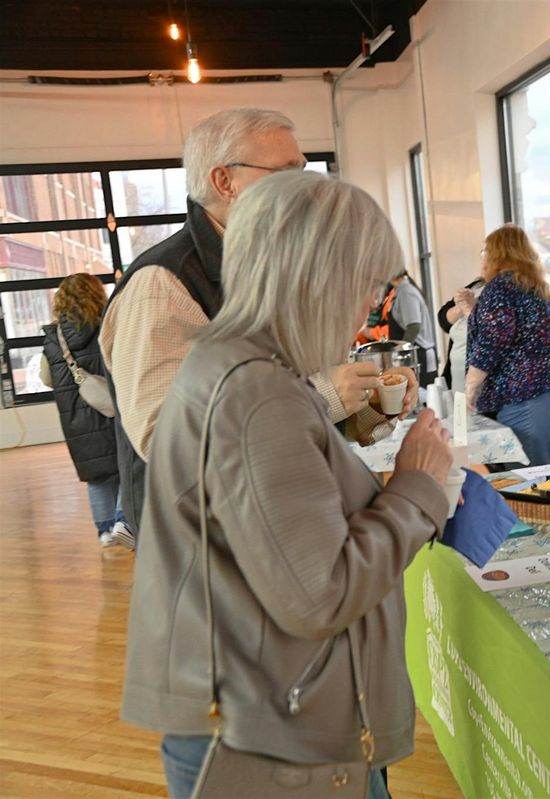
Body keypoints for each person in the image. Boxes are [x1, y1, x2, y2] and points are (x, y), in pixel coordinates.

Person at [121, 171, 453, 799]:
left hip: (266, 709)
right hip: (276, 732)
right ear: (316, 279)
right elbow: (320, 594)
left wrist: (358, 432)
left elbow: (283, 499)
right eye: (365, 284)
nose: (368, 306)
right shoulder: (255, 392)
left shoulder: (244, 365)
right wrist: (418, 487)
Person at [99, 107, 396, 540]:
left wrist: (369, 409)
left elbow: (295, 409)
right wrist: (325, 395)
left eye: (304, 171)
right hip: (209, 541)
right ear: (225, 182)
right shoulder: (162, 284)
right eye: (286, 172)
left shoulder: (270, 268)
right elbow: (172, 447)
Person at [465, 225, 550, 466]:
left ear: (495, 254)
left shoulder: (499, 287)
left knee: (528, 475)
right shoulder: (532, 285)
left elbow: (493, 340)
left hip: (529, 389)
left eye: (485, 252)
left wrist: (471, 386)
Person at [40, 273, 134, 549]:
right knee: (125, 463)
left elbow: (47, 379)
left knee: (96, 474)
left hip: (75, 416)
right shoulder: (108, 324)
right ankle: (123, 519)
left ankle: (105, 531)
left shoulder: (54, 336)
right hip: (112, 407)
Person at [436, 276, 485, 390]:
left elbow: (493, 334)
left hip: (480, 382)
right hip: (456, 378)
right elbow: (443, 320)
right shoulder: (476, 285)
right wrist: (460, 307)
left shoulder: (505, 292)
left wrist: (471, 309)